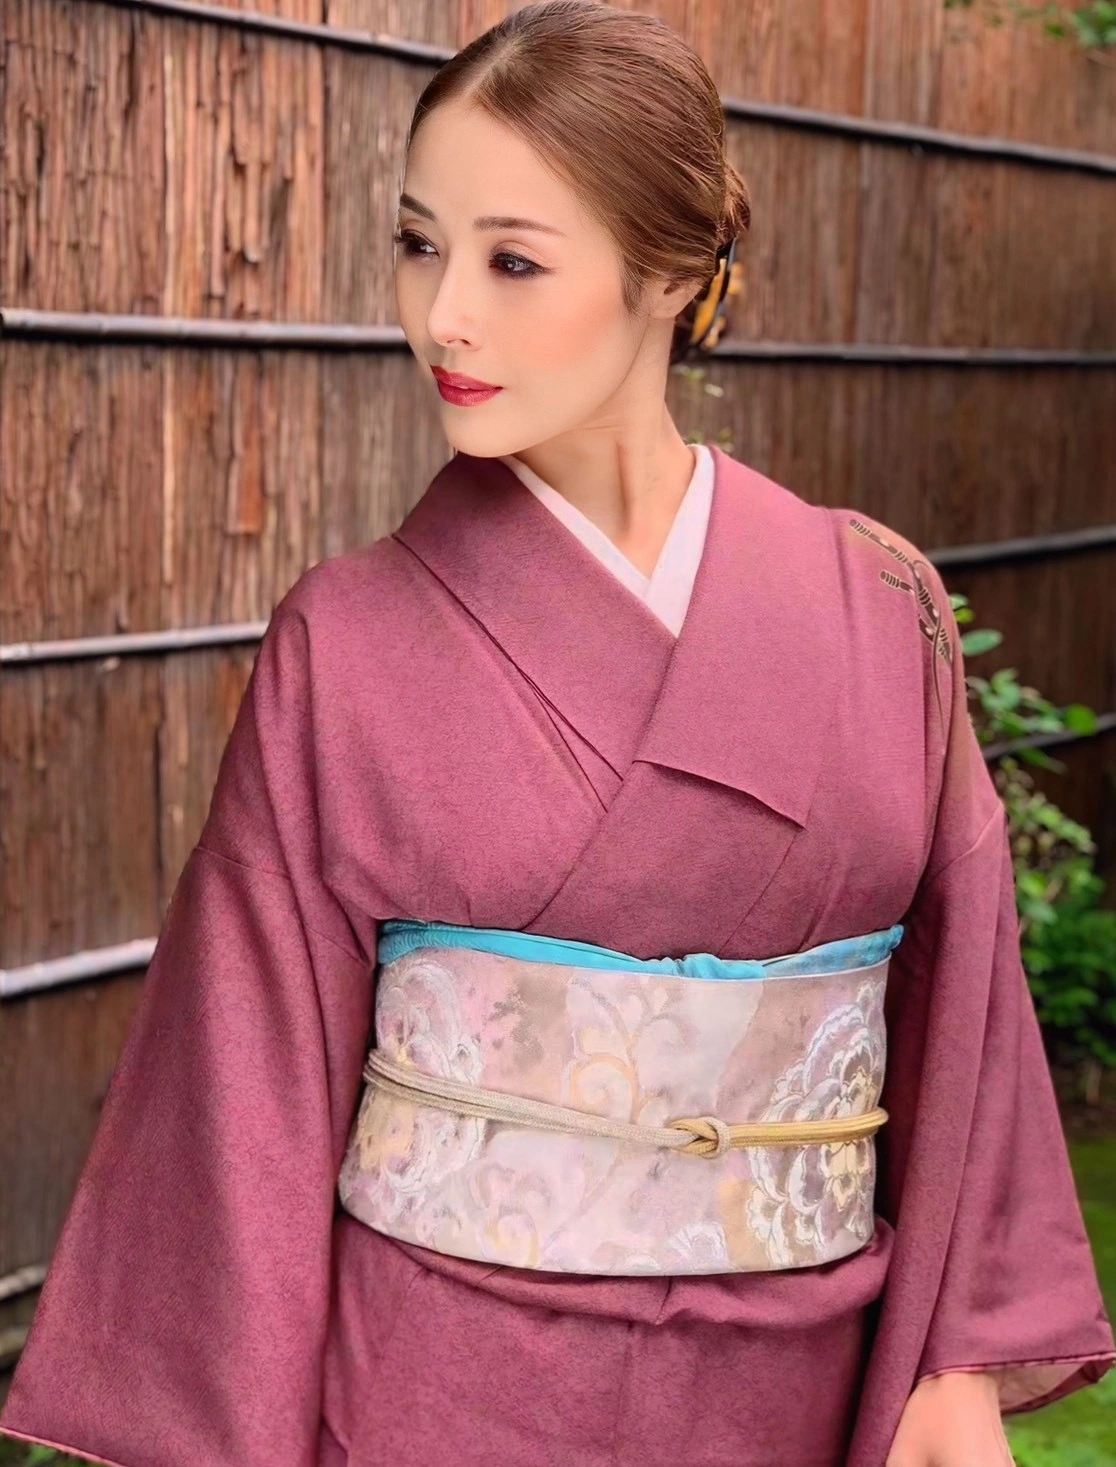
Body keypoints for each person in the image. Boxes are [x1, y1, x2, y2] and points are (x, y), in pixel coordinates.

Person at [2, 4, 1112, 1465]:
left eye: (512, 261)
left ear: (674, 274)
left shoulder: (876, 603)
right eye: (419, 244)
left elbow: (965, 1010)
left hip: (806, 1385)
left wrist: (953, 1356)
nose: (443, 314)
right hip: (440, 1393)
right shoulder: (350, 642)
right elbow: (243, 1087)